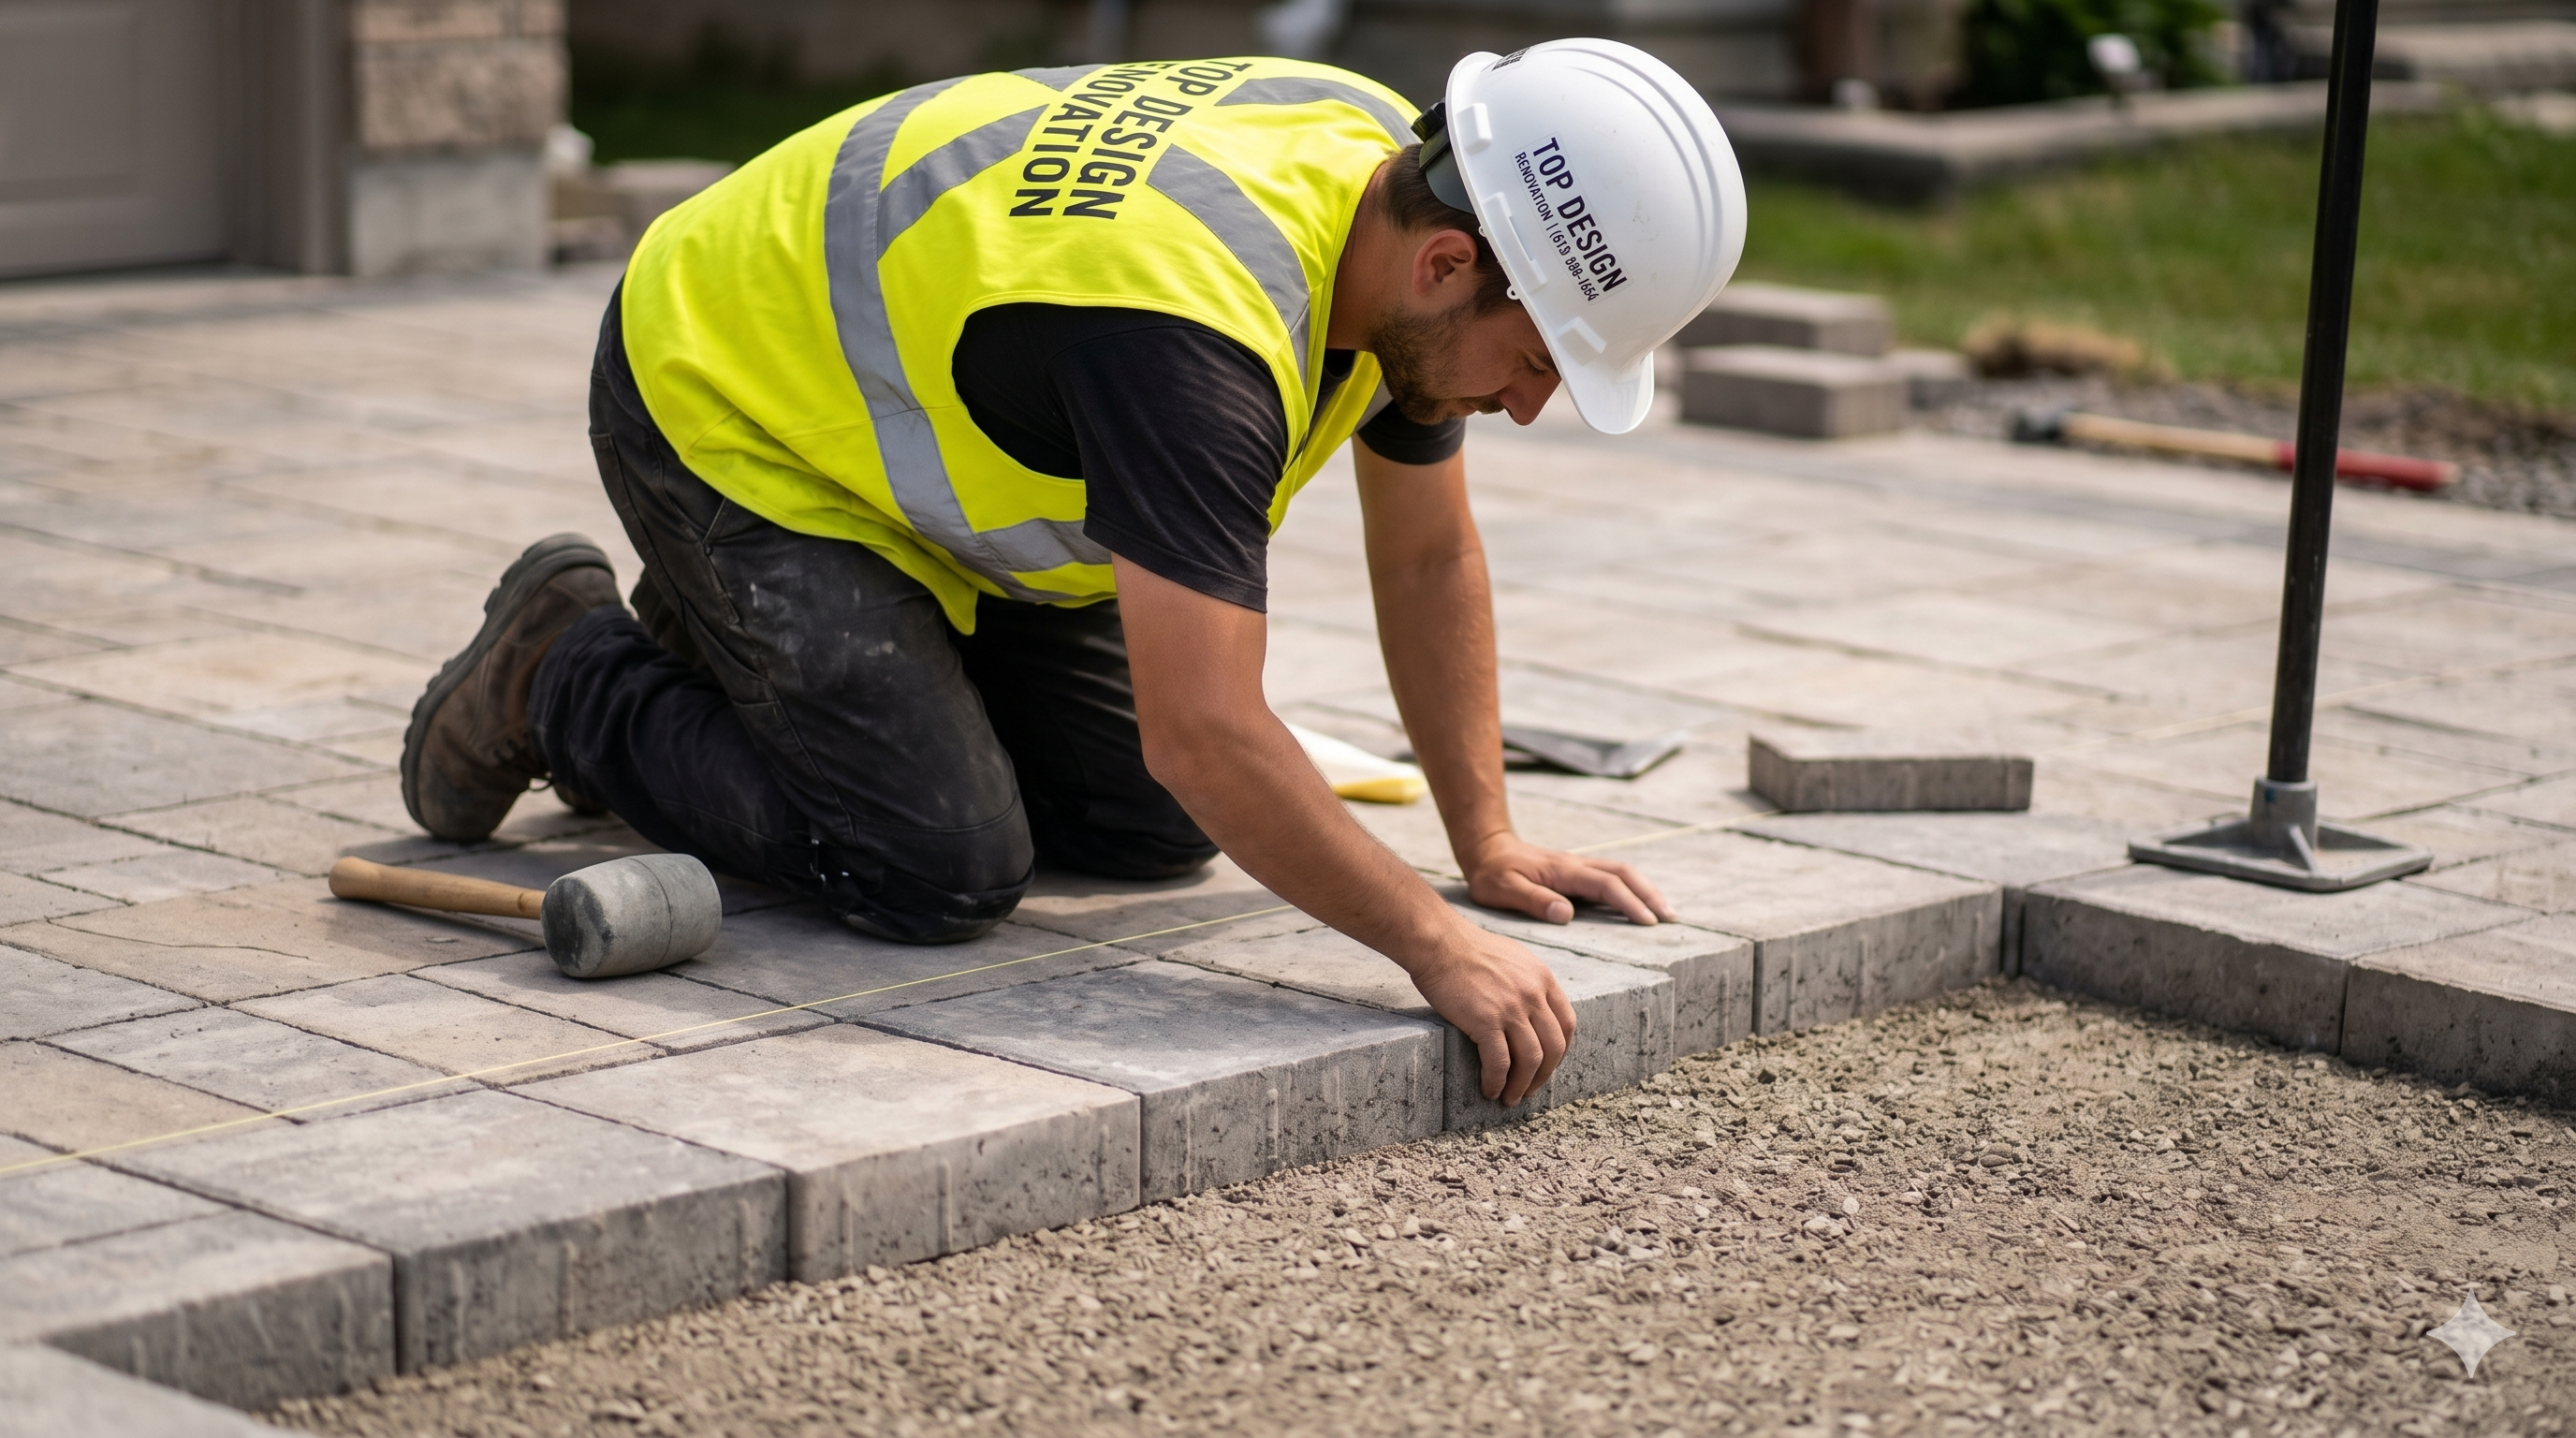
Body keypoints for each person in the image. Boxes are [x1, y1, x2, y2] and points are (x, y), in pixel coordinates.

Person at [400, 41, 1747, 1108]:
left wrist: (1486, 839)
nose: (1525, 408)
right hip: (729, 394)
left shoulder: (1384, 187)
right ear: (1452, 264)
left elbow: (1430, 548)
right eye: (1538, 364)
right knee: (934, 868)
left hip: (918, 410)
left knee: (1157, 829)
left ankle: (743, 654)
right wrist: (1436, 947)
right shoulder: (1189, 341)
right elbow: (1207, 732)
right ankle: (566, 664)